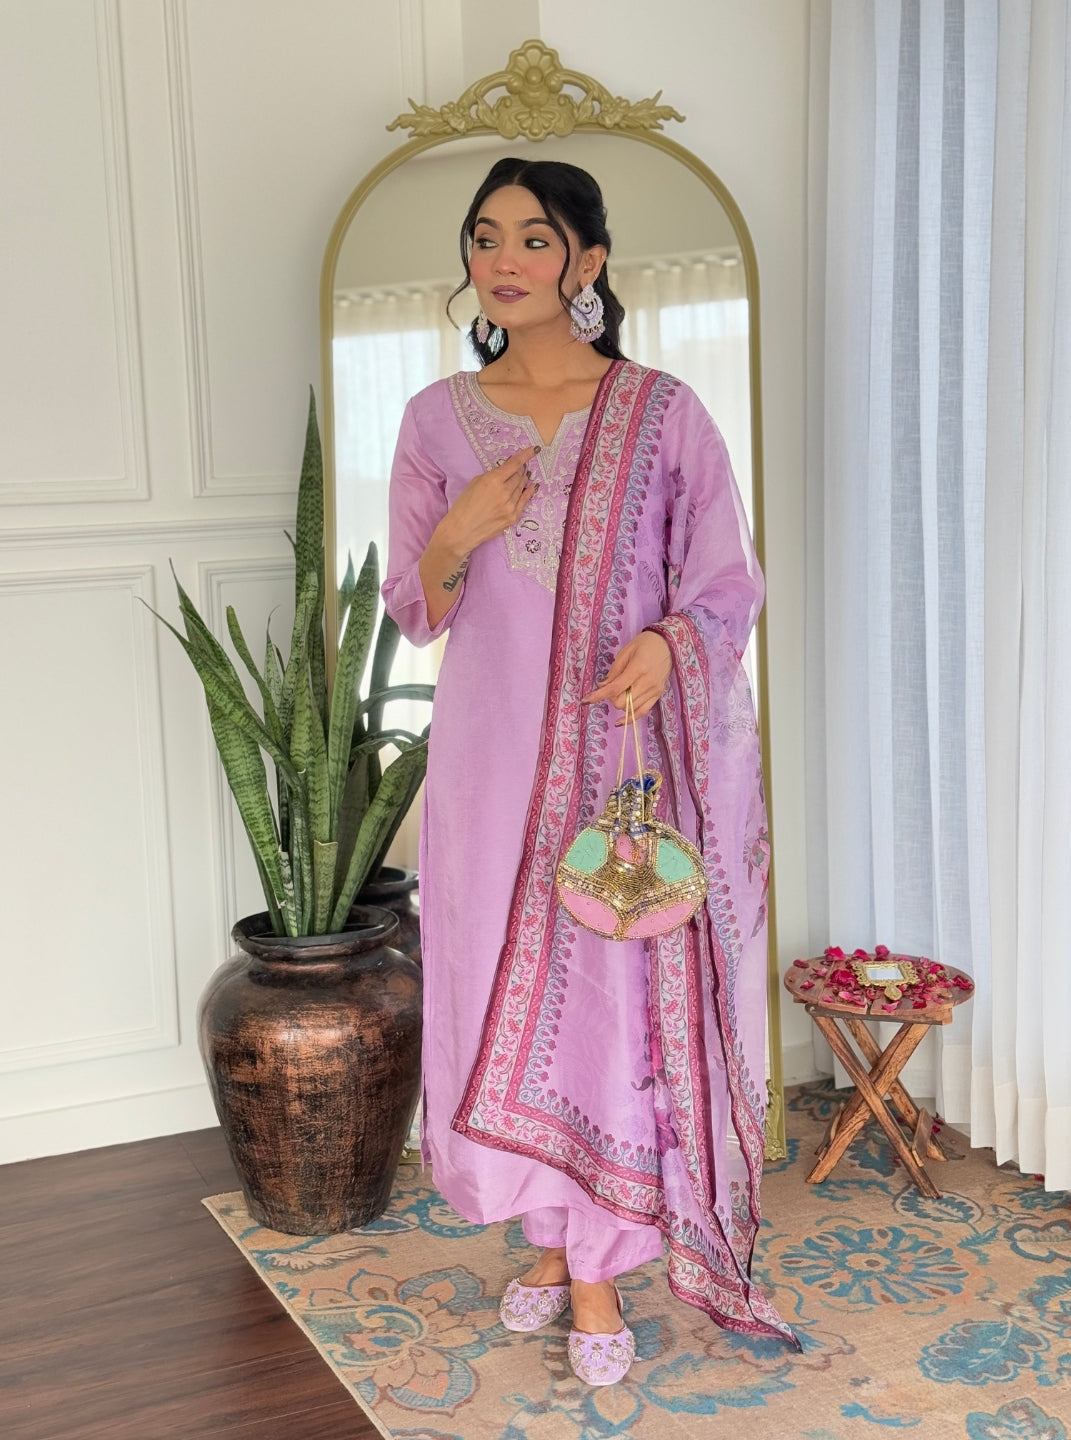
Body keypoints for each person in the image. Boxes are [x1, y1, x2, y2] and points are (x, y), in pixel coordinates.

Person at [381, 157, 797, 1387]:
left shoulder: (665, 413)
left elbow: (730, 581)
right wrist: (460, 532)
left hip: (621, 771)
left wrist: (672, 648)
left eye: (535, 237)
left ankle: (599, 1260)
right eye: (484, 237)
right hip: (487, 764)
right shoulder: (437, 420)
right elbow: (415, 607)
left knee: (609, 1000)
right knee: (494, 983)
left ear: (590, 263)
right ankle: (556, 1240)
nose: (504, 259)